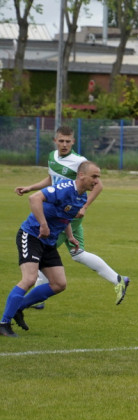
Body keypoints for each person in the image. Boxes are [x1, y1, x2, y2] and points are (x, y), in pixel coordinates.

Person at [15, 126, 129, 305]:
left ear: (73, 142)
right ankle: (118, 279)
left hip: (67, 213)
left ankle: (37, 298)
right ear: (55, 140)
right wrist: (31, 187)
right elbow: (51, 179)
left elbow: (98, 185)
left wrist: (84, 206)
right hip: (57, 210)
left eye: (68, 141)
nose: (64, 144)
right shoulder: (53, 156)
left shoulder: (79, 161)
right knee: (77, 253)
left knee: (44, 249)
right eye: (61, 141)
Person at [2, 161, 103, 337]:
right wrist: (43, 224)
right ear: (81, 176)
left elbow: (64, 218)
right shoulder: (64, 188)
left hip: (48, 242)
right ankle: (3, 323)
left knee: (59, 284)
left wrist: (70, 236)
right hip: (32, 235)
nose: (97, 181)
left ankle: (19, 308)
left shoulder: (81, 197)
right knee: (29, 279)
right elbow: (34, 198)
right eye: (94, 176)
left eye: (98, 177)